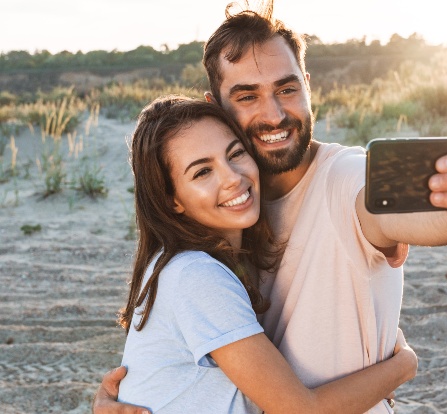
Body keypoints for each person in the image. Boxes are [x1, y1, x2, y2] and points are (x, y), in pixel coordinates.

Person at [93, 1, 447, 413]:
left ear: (307, 88)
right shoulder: (226, 222)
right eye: (247, 96)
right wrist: (124, 394)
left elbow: (390, 206)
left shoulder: (343, 177)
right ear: (218, 109)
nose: (273, 114)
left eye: (286, 89)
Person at [115, 94, 417, 413]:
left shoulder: (184, 263)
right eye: (202, 172)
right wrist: (402, 366)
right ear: (171, 199)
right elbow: (301, 410)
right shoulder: (195, 275)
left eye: (236, 154)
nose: (232, 177)